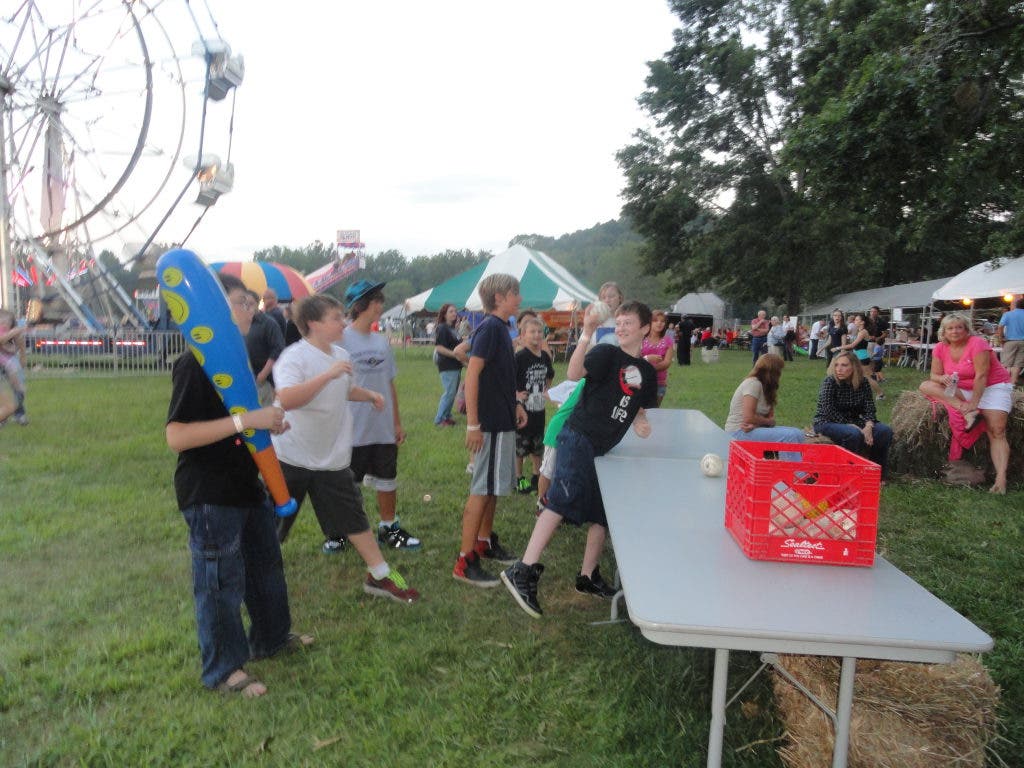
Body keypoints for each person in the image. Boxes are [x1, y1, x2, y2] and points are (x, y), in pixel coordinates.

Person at [165, 273, 312, 698]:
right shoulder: (195, 364)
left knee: (265, 567)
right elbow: (177, 436)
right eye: (241, 302)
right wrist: (248, 421)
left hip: (247, 486)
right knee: (219, 582)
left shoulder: (239, 360)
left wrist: (266, 425)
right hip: (210, 493)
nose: (251, 309)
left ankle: (271, 637)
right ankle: (223, 669)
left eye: (251, 302)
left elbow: (244, 427)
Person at [501, 301, 657, 618]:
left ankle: (588, 577)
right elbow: (574, 373)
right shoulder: (607, 354)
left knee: (602, 513)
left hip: (603, 448)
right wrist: (586, 332)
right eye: (620, 322)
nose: (623, 327)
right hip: (578, 437)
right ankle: (522, 570)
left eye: (630, 322)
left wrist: (640, 421)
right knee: (560, 499)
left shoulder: (647, 372)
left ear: (645, 328)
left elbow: (638, 404)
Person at [273, 294, 419, 602]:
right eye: (335, 318)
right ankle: (254, 574)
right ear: (313, 324)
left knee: (354, 517)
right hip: (292, 456)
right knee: (273, 525)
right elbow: (286, 399)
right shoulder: (295, 357)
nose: (343, 322)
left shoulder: (340, 354)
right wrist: (328, 375)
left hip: (331, 458)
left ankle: (379, 575)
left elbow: (344, 389)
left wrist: (367, 395)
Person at [453, 273, 527, 586]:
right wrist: (473, 424)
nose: (519, 299)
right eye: (515, 293)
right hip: (490, 426)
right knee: (482, 489)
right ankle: (464, 561)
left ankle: (483, 542)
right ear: (499, 298)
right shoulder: (491, 328)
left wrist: (514, 403)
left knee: (493, 487)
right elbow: (472, 374)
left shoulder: (499, 328)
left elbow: (499, 376)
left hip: (502, 419)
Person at [339, 280, 422, 551]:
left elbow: (389, 384)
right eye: (376, 301)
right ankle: (344, 532)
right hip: (353, 426)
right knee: (347, 484)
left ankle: (389, 528)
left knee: (387, 477)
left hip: (382, 426)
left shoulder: (381, 341)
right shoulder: (340, 340)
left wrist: (396, 421)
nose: (381, 306)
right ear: (361, 305)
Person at [919, 312, 1013, 494]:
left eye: (959, 327)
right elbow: (933, 376)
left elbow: (982, 375)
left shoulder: (978, 344)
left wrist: (975, 402)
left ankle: (1001, 479)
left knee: (997, 431)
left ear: (966, 329)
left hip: (993, 387)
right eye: (950, 328)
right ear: (944, 332)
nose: (955, 331)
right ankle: (966, 412)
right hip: (962, 389)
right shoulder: (940, 347)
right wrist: (943, 378)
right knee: (925, 385)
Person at [812, 351, 893, 480]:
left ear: (854, 367)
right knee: (853, 434)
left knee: (884, 431)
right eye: (837, 365)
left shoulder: (863, 383)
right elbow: (828, 410)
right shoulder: (830, 382)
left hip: (855, 421)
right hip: (827, 422)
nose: (839, 369)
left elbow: (869, 408)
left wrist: (868, 425)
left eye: (844, 365)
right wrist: (852, 425)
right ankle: (849, 475)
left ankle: (876, 475)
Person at [723, 354, 804, 448]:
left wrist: (762, 423)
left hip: (755, 428)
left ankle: (776, 459)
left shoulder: (768, 388)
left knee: (798, 433)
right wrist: (767, 422)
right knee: (790, 436)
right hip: (738, 432)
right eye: (779, 371)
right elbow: (749, 418)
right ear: (772, 371)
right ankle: (790, 462)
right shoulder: (753, 384)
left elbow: (770, 418)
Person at [514, 315, 555, 494]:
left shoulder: (544, 356)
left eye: (539, 331)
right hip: (523, 410)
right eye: (532, 332)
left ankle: (536, 476)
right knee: (520, 448)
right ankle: (518, 478)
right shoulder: (520, 357)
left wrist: (547, 390)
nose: (536, 335)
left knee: (538, 446)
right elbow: (508, 379)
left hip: (539, 410)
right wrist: (516, 394)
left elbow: (550, 374)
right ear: (522, 335)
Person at [244, 290, 285, 407]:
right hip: (245, 379)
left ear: (257, 303)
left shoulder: (268, 323)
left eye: (250, 303)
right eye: (244, 304)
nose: (247, 307)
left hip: (263, 381)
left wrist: (263, 375)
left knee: (265, 414)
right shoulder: (239, 323)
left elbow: (278, 349)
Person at [831, 312, 883, 398]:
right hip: (857, 357)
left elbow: (853, 345)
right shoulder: (860, 331)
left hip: (862, 358)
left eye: (856, 320)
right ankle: (853, 393)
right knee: (854, 376)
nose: (854, 321)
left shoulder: (863, 332)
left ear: (862, 322)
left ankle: (880, 394)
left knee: (867, 378)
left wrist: (837, 348)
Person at [432, 303, 465, 427]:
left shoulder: (453, 329)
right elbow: (439, 348)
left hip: (456, 366)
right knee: (449, 392)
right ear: (444, 314)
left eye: (455, 311)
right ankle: (439, 419)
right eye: (451, 311)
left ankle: (447, 416)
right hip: (447, 365)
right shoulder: (442, 328)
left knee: (453, 392)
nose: (454, 313)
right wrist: (455, 354)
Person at [0, 309, 29, 425]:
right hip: (3, 363)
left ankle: (19, 414)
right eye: (1, 320)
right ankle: (4, 416)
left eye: (7, 321)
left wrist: (23, 357)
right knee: (3, 393)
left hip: (11, 362)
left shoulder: (14, 332)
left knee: (18, 389)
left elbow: (21, 343)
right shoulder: (12, 332)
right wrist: (16, 331)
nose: (4, 323)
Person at [641, 309, 674, 406]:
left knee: (654, 412)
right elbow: (634, 360)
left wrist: (646, 367)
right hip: (640, 382)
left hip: (659, 383)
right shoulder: (641, 338)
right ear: (649, 322)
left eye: (662, 321)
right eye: (655, 320)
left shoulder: (668, 341)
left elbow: (667, 363)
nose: (659, 323)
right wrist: (648, 358)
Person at [997, 297, 1024, 386]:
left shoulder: (1008, 314)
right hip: (1023, 342)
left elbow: (1000, 326)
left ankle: (1004, 383)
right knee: (1018, 364)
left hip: (1010, 341)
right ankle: (1013, 383)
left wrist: (1001, 338)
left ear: (1016, 305)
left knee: (1006, 363)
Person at [593, 281, 624, 346]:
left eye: (611, 296)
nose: (607, 300)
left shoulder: (626, 321)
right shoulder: (595, 322)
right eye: (603, 298)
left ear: (620, 298)